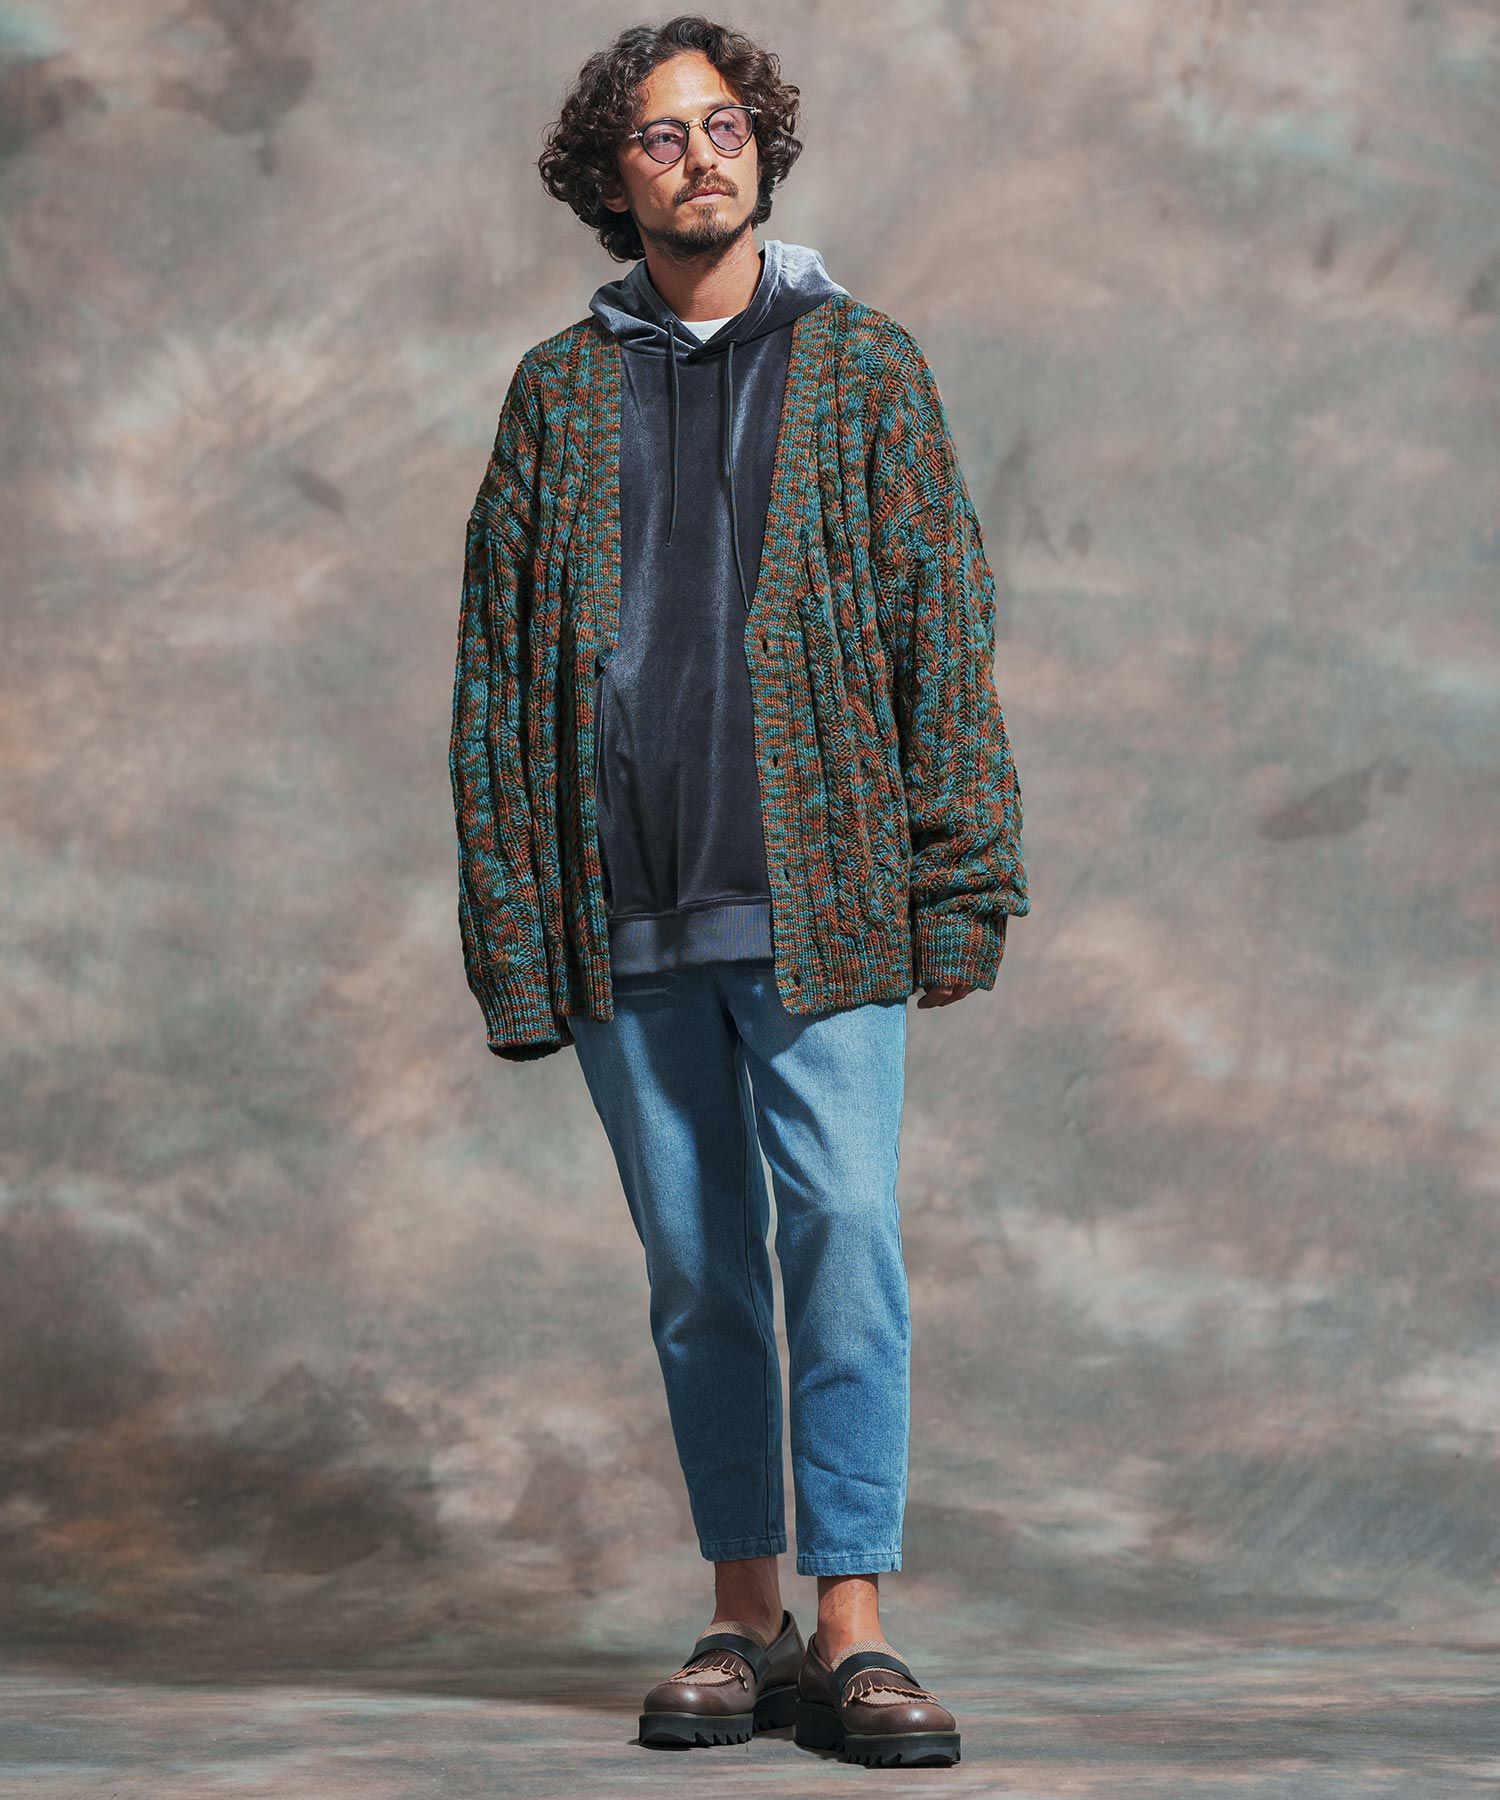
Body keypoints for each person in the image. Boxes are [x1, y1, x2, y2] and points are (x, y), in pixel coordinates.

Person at [449, 12, 1028, 1769]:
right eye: (659, 134)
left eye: (721, 126)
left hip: (825, 896)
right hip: (625, 909)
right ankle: (745, 1614)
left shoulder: (864, 365)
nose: (697, 155)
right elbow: (496, 676)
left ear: (761, 146)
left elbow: (943, 622)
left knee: (841, 1232)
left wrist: (960, 876)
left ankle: (856, 1627)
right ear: (609, 176)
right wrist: (514, 930)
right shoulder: (555, 394)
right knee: (701, 1274)